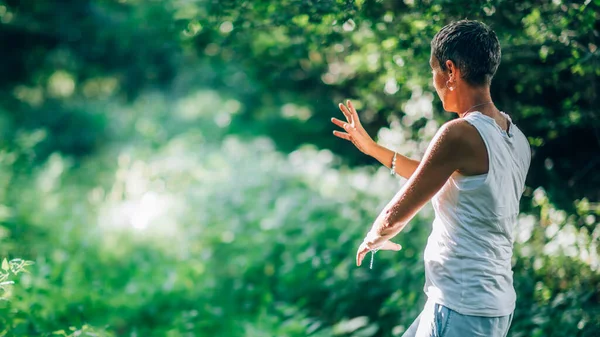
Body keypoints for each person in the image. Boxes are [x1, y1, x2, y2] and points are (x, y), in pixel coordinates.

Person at [331, 20, 531, 337]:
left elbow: (397, 214)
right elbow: (438, 177)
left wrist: (375, 236)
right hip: (489, 302)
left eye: (434, 70)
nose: (434, 82)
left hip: (459, 304)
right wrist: (371, 149)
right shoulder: (515, 138)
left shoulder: (459, 134)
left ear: (450, 71)